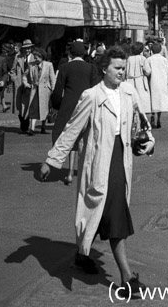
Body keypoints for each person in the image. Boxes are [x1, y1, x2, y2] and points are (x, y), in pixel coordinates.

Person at [40, 46, 153, 297]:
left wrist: (147, 141)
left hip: (120, 159)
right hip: (100, 162)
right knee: (114, 215)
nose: (122, 73)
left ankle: (82, 255)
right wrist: (52, 160)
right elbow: (72, 129)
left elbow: (141, 122)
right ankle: (127, 277)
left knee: (105, 214)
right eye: (117, 68)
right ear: (104, 68)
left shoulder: (127, 91)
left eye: (124, 68)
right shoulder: (91, 96)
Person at [51, 41, 97, 185]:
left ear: (70, 53)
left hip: (69, 104)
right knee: (85, 136)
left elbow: (58, 91)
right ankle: (85, 170)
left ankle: (69, 172)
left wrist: (57, 106)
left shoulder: (64, 67)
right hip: (86, 105)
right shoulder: (91, 68)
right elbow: (95, 89)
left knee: (69, 134)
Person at [19, 47, 56, 135]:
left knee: (44, 108)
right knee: (33, 108)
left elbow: (52, 79)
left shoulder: (49, 65)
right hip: (34, 89)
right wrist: (26, 84)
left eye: (37, 57)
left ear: (42, 57)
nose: (35, 59)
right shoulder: (31, 65)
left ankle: (43, 126)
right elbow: (24, 75)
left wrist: (53, 90)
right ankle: (32, 128)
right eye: (34, 57)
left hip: (45, 90)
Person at [148, 42, 168, 129]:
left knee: (152, 100)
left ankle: (153, 115)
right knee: (160, 101)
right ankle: (159, 119)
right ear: (160, 50)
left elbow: (147, 72)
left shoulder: (149, 60)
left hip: (153, 82)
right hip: (162, 82)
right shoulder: (164, 60)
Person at [11, 39, 35, 132]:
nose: (27, 50)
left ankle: (26, 124)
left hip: (29, 84)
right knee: (19, 105)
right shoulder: (18, 57)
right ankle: (23, 124)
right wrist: (15, 79)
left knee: (28, 103)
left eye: (29, 48)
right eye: (26, 48)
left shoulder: (34, 57)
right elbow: (12, 70)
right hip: (19, 84)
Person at [125, 42, 152, 116]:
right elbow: (148, 71)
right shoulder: (142, 59)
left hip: (129, 81)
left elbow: (124, 71)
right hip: (140, 81)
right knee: (142, 100)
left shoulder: (129, 59)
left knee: (131, 100)